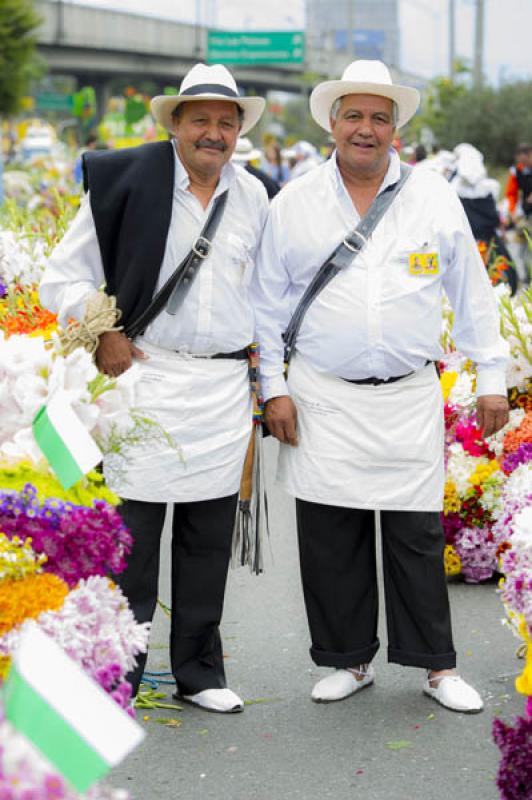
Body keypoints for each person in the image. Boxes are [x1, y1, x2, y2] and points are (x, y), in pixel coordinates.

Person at [252, 60, 509, 713]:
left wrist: (492, 377)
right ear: (332, 124)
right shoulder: (295, 203)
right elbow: (265, 304)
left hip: (406, 395)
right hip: (323, 394)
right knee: (330, 533)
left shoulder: (433, 196)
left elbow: (472, 295)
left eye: (380, 117)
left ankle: (436, 668)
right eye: (354, 116)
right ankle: (348, 659)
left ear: (395, 128)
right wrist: (273, 388)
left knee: (416, 534)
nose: (366, 129)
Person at [40, 63, 268, 714]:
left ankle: (200, 673)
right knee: (131, 544)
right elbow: (61, 277)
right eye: (200, 119)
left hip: (223, 387)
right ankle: (116, 677)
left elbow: (268, 293)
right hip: (144, 376)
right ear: (174, 123)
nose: (214, 133)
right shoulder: (126, 183)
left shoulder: (252, 196)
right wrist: (103, 331)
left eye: (226, 122)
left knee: (205, 540)